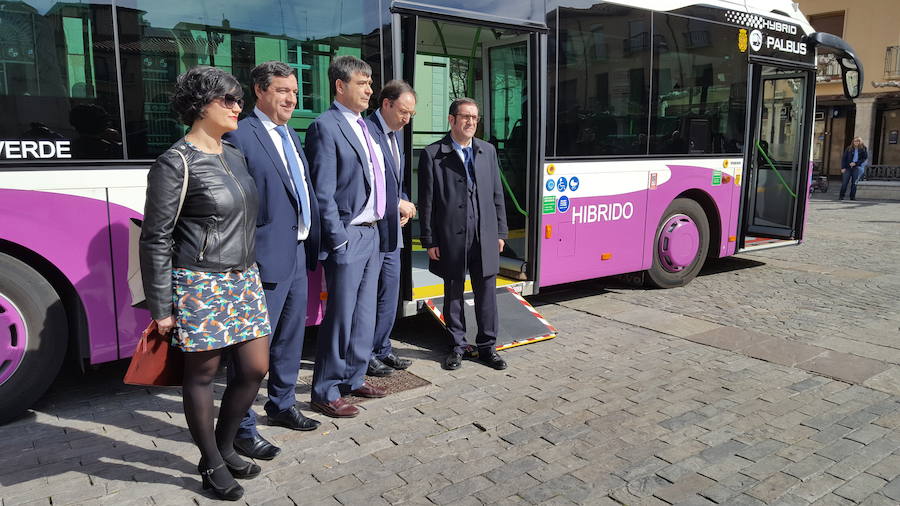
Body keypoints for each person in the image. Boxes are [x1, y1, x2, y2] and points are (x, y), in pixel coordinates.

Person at [140, 66, 268, 501]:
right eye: (228, 100)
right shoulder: (175, 162)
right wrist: (162, 307)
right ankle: (212, 462)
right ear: (200, 106)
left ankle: (225, 445)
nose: (239, 106)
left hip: (244, 277)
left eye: (239, 99)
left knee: (254, 368)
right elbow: (155, 237)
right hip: (200, 282)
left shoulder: (234, 154)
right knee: (203, 375)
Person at [222, 61, 321, 461]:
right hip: (262, 257)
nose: (291, 98)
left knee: (290, 339)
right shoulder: (239, 135)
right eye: (282, 90)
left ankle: (281, 405)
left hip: (296, 251)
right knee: (251, 351)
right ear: (260, 91)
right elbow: (235, 202)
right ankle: (241, 428)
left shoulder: (289, 133)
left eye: (295, 92)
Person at [306, 55, 387, 418]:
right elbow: (322, 192)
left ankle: (354, 378)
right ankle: (325, 389)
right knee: (340, 317)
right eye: (362, 83)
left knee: (363, 315)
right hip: (349, 235)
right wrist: (337, 240)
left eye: (370, 83)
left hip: (372, 234)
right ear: (340, 86)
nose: (370, 89)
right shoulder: (326, 126)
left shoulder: (365, 126)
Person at [418, 97, 509, 371]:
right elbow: (427, 202)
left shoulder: (487, 151)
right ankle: (457, 346)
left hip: (485, 233)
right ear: (452, 120)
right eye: (465, 117)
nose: (471, 122)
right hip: (451, 235)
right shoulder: (434, 154)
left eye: (475, 118)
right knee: (454, 291)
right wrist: (429, 239)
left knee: (487, 292)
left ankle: (487, 348)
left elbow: (497, 195)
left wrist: (501, 232)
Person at [364, 80, 417, 377]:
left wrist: (403, 202)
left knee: (389, 293)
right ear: (386, 104)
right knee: (371, 296)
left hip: (392, 230)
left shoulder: (396, 136)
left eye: (411, 114)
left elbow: (397, 182)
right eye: (403, 111)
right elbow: (367, 182)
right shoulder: (367, 132)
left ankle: (382, 347)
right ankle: (366, 353)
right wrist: (397, 202)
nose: (407, 119)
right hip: (371, 230)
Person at [840, 137, 868, 201]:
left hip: (857, 167)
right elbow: (844, 158)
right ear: (853, 142)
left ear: (860, 142)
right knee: (844, 183)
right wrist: (843, 167)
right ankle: (841, 196)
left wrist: (856, 163)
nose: (856, 142)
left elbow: (864, 158)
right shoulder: (849, 148)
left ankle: (852, 197)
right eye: (855, 141)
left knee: (854, 183)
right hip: (847, 167)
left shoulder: (863, 149)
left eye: (858, 141)